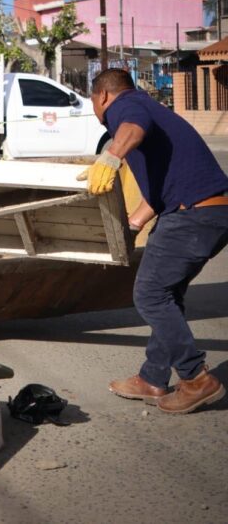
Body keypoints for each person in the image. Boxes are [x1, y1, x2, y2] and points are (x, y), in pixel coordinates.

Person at [78, 68, 228, 414]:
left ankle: (196, 379)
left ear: (102, 96)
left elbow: (132, 126)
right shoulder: (152, 109)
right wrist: (131, 225)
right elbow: (160, 194)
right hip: (211, 211)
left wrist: (110, 157)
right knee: (168, 294)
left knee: (150, 294)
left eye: (94, 104)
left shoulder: (126, 106)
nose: (97, 113)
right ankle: (153, 378)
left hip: (193, 214)